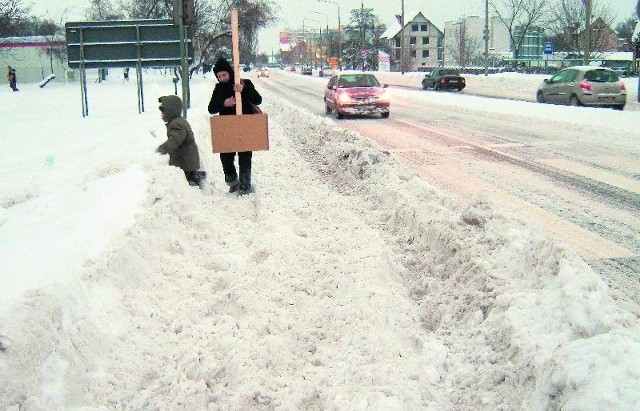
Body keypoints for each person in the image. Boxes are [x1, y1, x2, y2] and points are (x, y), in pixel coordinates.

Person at [207, 57, 262, 195]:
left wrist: (243, 90)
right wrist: (223, 103)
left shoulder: (244, 83)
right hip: (227, 127)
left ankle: (245, 185)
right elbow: (211, 108)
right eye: (219, 76)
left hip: (244, 125)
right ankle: (232, 181)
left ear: (230, 73)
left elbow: (258, 99)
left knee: (245, 156)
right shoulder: (218, 89)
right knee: (226, 156)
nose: (222, 78)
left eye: (224, 74)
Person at [156, 95, 205, 187]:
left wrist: (163, 148)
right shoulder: (178, 121)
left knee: (186, 177)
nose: (161, 114)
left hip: (185, 159)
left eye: (163, 112)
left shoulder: (176, 124)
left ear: (170, 111)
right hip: (186, 158)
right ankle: (196, 177)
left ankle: (198, 178)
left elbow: (175, 140)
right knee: (187, 175)